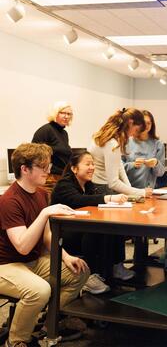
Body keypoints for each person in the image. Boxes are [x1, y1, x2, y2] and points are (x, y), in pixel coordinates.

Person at [0, 143, 89, 347]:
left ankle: (48, 325)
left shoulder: (41, 194)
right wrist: (44, 213)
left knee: (80, 271)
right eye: (43, 167)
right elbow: (22, 246)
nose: (49, 171)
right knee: (39, 291)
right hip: (6, 265)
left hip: (32, 260)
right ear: (25, 169)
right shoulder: (9, 201)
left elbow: (46, 236)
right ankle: (16, 341)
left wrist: (66, 257)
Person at [51, 151, 133, 289]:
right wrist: (108, 198)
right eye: (87, 164)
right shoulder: (64, 184)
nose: (92, 167)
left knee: (113, 227)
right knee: (93, 232)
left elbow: (96, 197)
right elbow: (78, 200)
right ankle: (90, 276)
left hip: (80, 225)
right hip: (63, 231)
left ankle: (114, 267)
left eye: (93, 164)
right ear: (74, 168)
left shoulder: (88, 184)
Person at [88, 108, 152, 197]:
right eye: (136, 130)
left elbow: (118, 164)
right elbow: (113, 183)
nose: (133, 134)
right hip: (102, 189)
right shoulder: (112, 144)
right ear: (130, 123)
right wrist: (141, 192)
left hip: (96, 186)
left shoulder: (104, 136)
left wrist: (130, 189)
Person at [32, 101, 73, 193]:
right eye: (62, 113)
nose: (66, 116)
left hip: (61, 178)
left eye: (69, 114)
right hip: (48, 180)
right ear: (55, 113)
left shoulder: (64, 133)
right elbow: (35, 156)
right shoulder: (46, 130)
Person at [123, 110, 165, 188]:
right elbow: (118, 168)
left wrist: (156, 164)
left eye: (149, 123)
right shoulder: (126, 142)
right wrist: (132, 165)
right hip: (127, 189)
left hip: (147, 191)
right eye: (144, 123)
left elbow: (161, 172)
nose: (146, 126)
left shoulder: (158, 144)